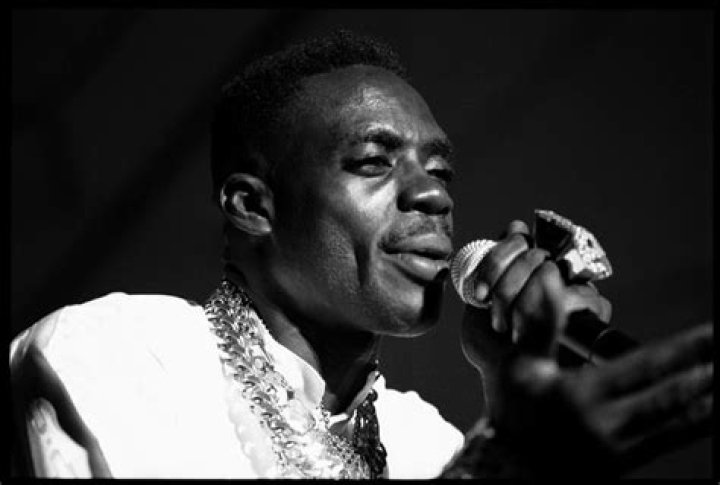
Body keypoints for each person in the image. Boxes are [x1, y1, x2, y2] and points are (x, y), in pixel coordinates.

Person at [9, 29, 712, 479]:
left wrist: (515, 407)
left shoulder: (426, 442)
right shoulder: (124, 350)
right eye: (375, 161)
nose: (432, 196)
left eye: (440, 171)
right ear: (252, 205)